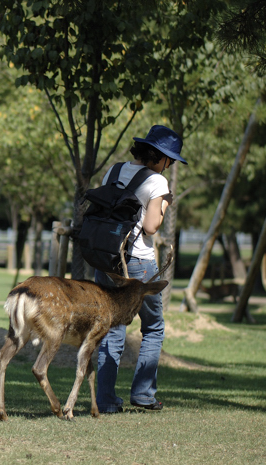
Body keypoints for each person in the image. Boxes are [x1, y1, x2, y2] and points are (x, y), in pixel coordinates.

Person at [94, 124, 186, 414]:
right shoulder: (158, 182)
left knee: (113, 327)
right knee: (154, 327)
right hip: (138, 263)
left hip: (107, 260)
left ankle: (106, 401)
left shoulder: (114, 169)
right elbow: (151, 227)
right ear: (161, 158)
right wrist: (165, 205)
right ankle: (144, 395)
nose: (169, 165)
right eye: (169, 160)